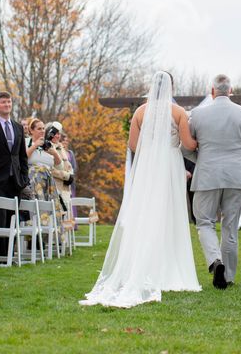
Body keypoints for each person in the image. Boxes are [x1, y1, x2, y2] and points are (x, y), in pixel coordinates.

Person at [80, 71, 201, 308]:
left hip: (147, 167)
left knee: (147, 214)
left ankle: (142, 266)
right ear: (171, 88)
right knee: (170, 214)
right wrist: (198, 143)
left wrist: (151, 148)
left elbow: (133, 145)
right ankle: (169, 271)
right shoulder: (178, 113)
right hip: (169, 165)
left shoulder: (140, 112)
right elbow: (187, 144)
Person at [184, 74, 241, 290]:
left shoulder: (197, 114)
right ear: (231, 91)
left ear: (212, 91)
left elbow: (185, 146)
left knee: (204, 222)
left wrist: (200, 159)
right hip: (237, 177)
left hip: (207, 175)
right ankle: (227, 276)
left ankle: (214, 260)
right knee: (230, 228)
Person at [0, 91, 30, 257]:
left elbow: (22, 155)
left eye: (9, 102)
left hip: (15, 180)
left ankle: (9, 254)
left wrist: (24, 177)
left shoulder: (17, 127)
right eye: (3, 102)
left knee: (12, 218)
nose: (7, 105)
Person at [26, 118, 62, 201]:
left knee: (49, 210)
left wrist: (55, 153)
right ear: (31, 130)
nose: (42, 131)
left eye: (43, 128)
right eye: (39, 129)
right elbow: (22, 158)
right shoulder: (26, 142)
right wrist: (34, 146)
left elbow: (59, 166)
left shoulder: (48, 145)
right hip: (31, 183)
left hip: (48, 183)